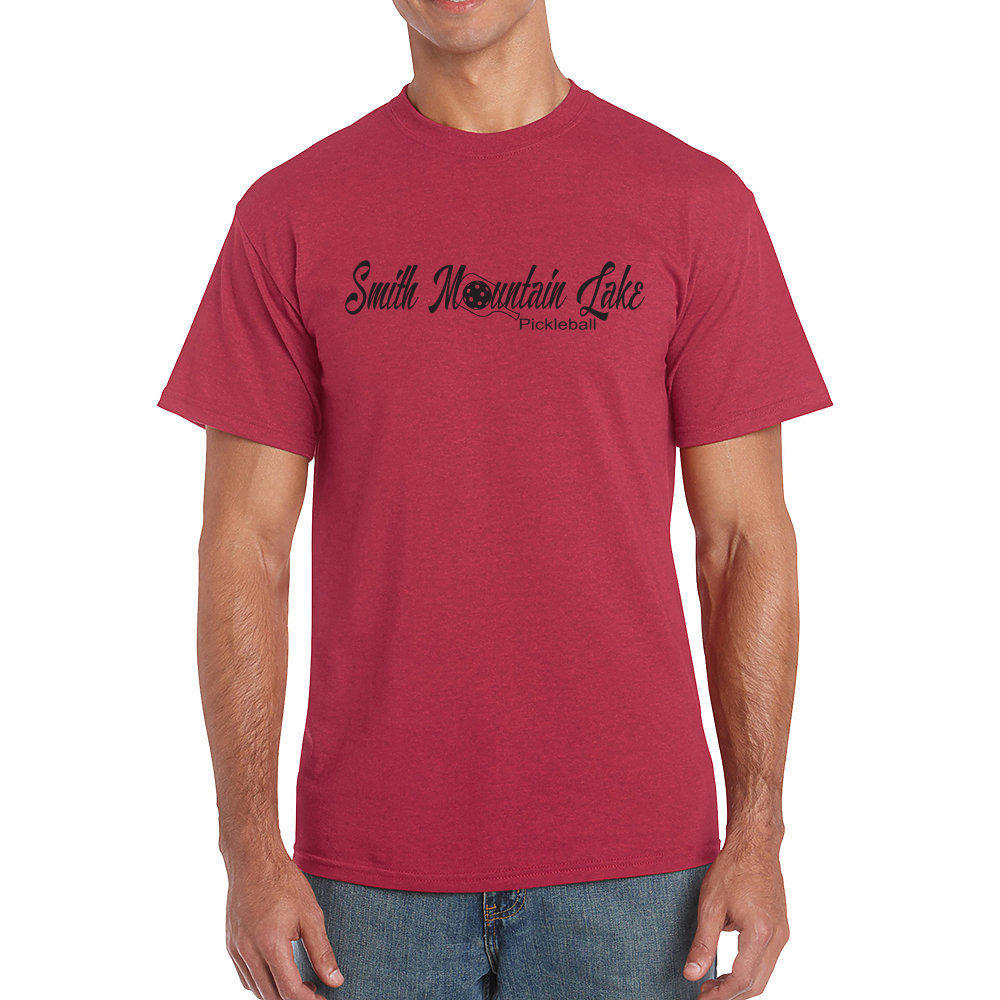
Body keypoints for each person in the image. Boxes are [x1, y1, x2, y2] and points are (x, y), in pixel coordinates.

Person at [157, 1, 832, 997]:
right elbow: (243, 547)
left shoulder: (694, 204)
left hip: (639, 875)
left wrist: (759, 832)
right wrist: (248, 848)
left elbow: (742, 542)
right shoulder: (290, 215)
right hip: (365, 880)